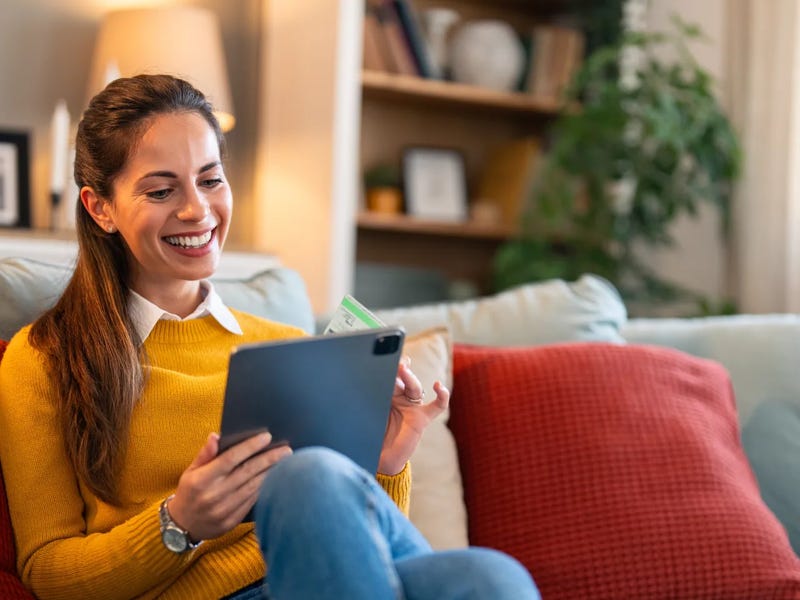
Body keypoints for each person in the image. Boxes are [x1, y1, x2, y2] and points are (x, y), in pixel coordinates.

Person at [0, 74, 540, 600]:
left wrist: (385, 463)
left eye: (210, 179)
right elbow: (47, 572)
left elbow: (363, 556)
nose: (197, 209)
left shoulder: (287, 346)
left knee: (491, 580)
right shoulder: (45, 358)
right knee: (308, 478)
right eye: (162, 190)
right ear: (100, 208)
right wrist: (177, 524)